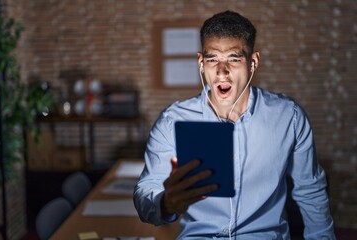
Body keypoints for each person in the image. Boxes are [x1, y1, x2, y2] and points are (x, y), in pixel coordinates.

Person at [133, 10, 336, 239]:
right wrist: (166, 203)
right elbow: (145, 192)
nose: (222, 72)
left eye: (234, 58)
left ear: (253, 62)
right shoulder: (172, 120)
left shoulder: (290, 117)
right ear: (201, 63)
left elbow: (311, 191)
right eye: (212, 60)